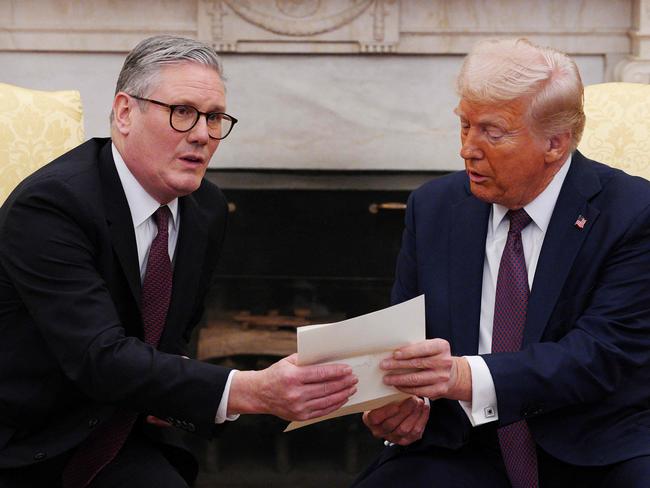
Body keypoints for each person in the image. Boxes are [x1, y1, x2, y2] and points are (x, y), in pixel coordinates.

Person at [0, 35, 357, 488]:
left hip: (124, 432)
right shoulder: (53, 205)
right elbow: (98, 356)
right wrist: (249, 390)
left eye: (214, 117)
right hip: (31, 445)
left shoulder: (204, 209)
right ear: (126, 112)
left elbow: (173, 337)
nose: (202, 134)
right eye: (182, 112)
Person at [353, 38, 650, 487]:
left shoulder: (632, 213)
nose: (467, 149)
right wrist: (403, 403)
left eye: (492, 132)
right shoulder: (434, 208)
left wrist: (460, 375)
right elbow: (407, 342)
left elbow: (598, 356)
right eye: (465, 125)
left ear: (555, 142)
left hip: (596, 446)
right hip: (465, 446)